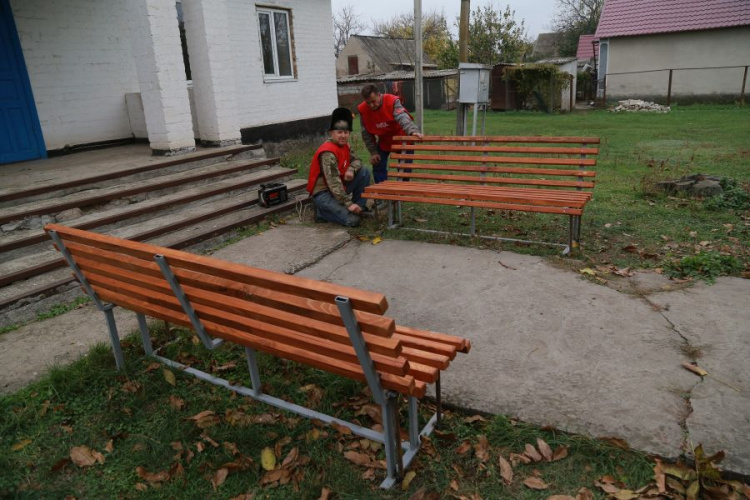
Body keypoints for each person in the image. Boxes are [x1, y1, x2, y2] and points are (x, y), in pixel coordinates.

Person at [307, 107, 372, 227]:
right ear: (331, 133)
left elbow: (357, 160)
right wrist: (348, 203)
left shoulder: (346, 145)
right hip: (323, 193)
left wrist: (351, 169)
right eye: (339, 132)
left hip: (338, 189)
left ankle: (359, 207)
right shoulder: (327, 152)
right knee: (353, 221)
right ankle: (321, 212)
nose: (343, 135)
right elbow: (333, 183)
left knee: (364, 171)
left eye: (346, 132)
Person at [357, 84, 423, 184]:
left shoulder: (392, 101)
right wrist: (373, 152)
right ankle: (382, 192)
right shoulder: (363, 110)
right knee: (378, 165)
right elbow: (366, 133)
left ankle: (402, 193)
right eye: (368, 103)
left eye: (373, 101)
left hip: (403, 138)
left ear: (379, 95)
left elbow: (402, 117)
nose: (371, 105)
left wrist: (412, 130)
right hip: (384, 141)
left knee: (405, 170)